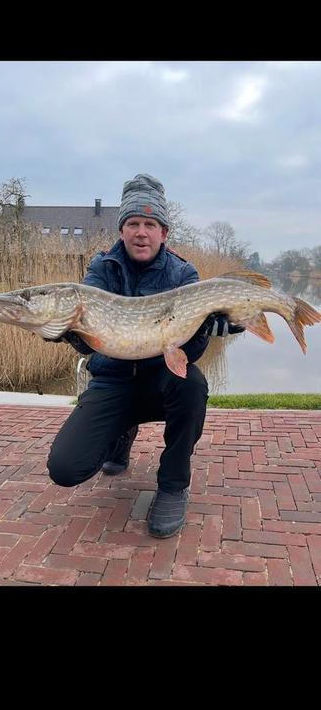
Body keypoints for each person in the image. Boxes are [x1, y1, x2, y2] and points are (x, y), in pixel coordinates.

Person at [47, 174, 244, 538]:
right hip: (113, 382)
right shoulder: (101, 269)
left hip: (160, 382)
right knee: (65, 468)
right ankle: (121, 433)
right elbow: (92, 343)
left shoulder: (184, 274)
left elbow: (189, 354)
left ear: (163, 233)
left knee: (192, 385)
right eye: (133, 223)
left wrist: (204, 329)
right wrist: (68, 332)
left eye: (150, 224)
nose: (141, 232)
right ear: (122, 230)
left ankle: (172, 485)